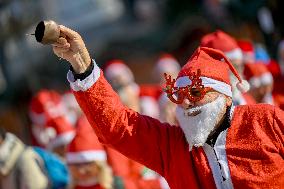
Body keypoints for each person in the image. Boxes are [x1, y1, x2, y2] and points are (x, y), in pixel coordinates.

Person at [52, 25, 284, 188]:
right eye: (178, 96)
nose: (186, 102)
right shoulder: (172, 147)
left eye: (195, 93)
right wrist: (82, 65)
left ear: (224, 96)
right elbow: (118, 126)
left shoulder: (265, 120)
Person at [66, 116, 113, 189]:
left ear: (99, 164)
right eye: (76, 165)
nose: (81, 171)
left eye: (87, 164)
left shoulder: (114, 184)